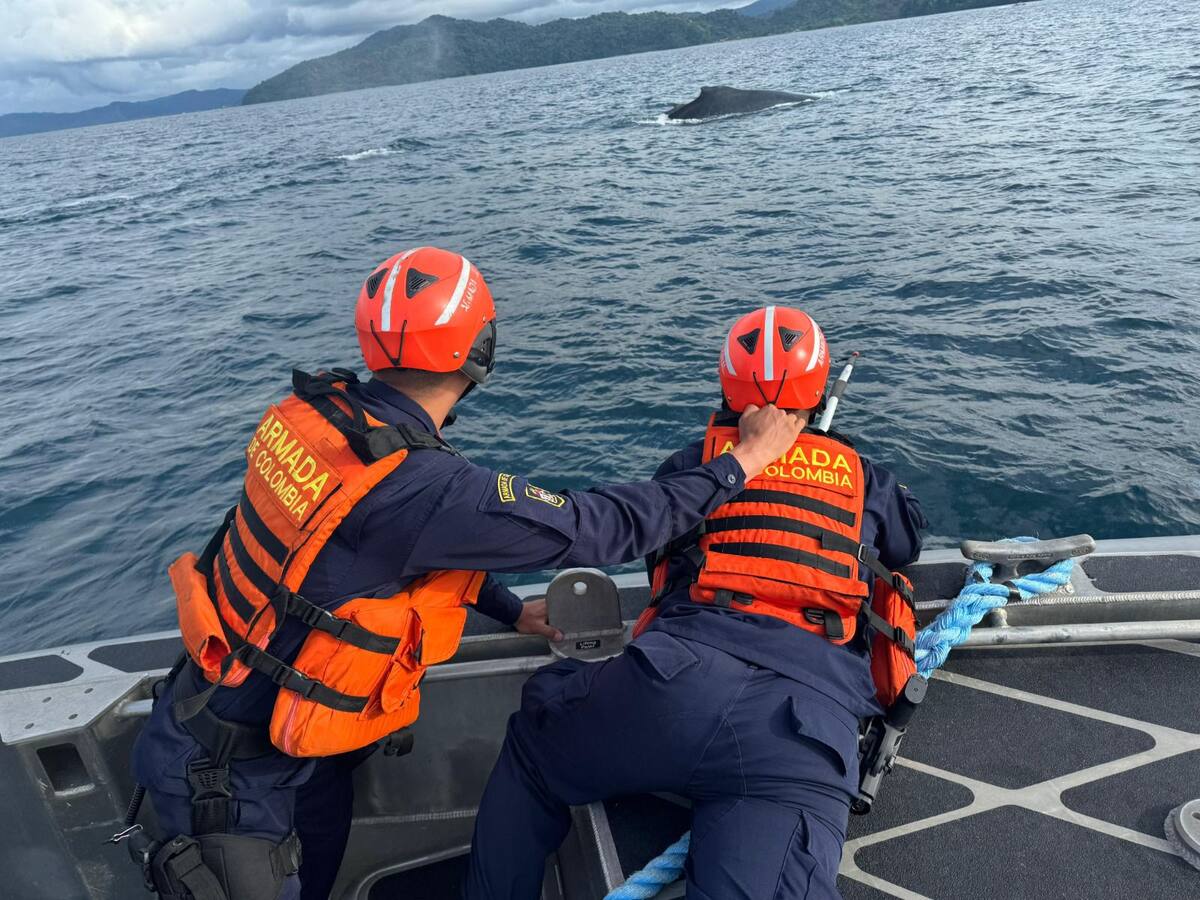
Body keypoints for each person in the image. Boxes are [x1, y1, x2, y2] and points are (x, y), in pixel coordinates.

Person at [127, 247, 804, 900]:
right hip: (234, 785)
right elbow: (605, 527)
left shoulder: (324, 418)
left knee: (325, 845)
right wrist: (741, 461)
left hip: (221, 719)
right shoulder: (429, 485)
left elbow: (362, 554)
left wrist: (514, 611)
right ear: (480, 351)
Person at [464, 306, 928, 899]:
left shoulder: (693, 466)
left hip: (669, 685)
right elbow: (907, 540)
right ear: (819, 387)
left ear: (727, 384)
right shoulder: (867, 478)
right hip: (800, 727)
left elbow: (663, 544)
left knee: (535, 741)